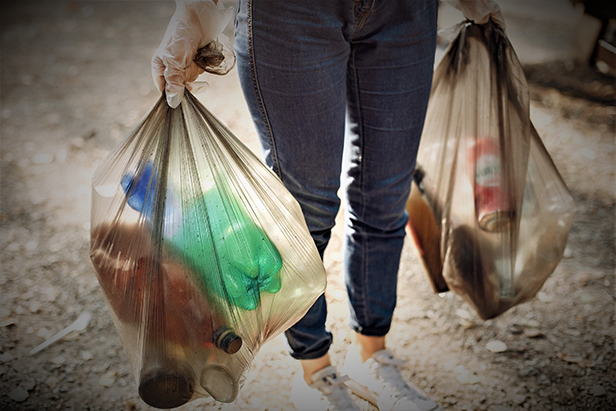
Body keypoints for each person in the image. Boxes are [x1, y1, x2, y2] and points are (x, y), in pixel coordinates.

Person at [152, 1, 505, 410]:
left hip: (405, 10)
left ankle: (371, 357)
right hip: (292, 14)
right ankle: (315, 372)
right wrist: (196, 13)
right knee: (307, 212)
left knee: (386, 199)